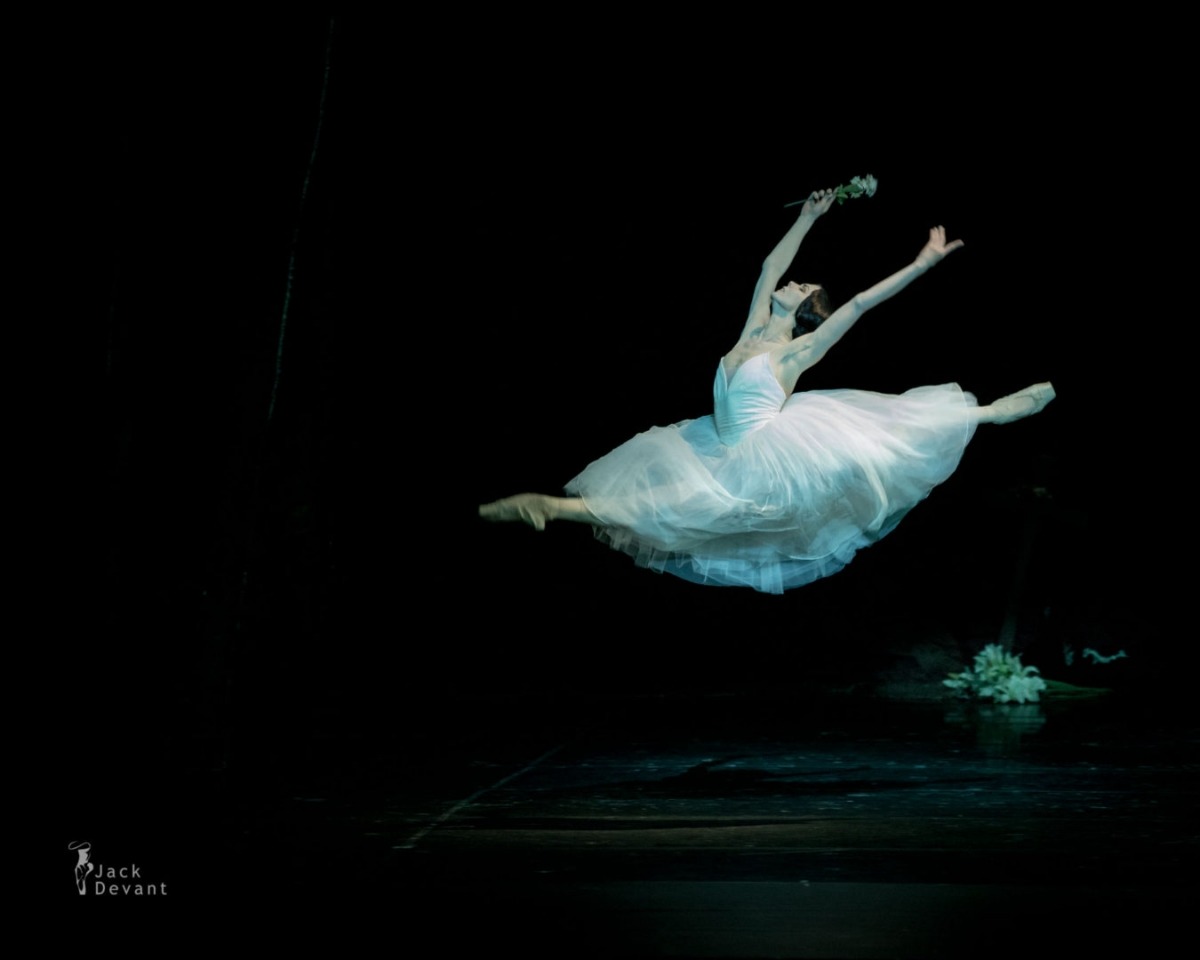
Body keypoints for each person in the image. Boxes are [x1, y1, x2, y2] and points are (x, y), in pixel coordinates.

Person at [479, 188, 1054, 593]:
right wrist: (809, 216)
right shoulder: (754, 332)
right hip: (715, 445)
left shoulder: (797, 351)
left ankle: (986, 415)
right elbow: (766, 265)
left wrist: (921, 265)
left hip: (765, 456)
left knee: (891, 434)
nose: (792, 281)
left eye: (801, 286)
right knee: (664, 507)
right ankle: (547, 508)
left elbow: (857, 305)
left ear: (804, 312)